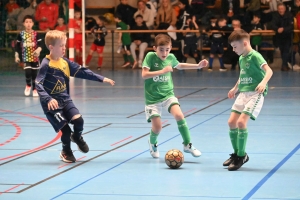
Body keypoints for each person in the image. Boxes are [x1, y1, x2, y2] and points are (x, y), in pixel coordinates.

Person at [35, 30, 115, 163]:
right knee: (65, 131)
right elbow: (38, 83)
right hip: (52, 105)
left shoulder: (65, 62)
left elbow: (83, 72)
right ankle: (66, 151)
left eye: (64, 45)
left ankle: (77, 137)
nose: (64, 48)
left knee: (79, 121)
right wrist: (48, 99)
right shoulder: (46, 64)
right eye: (61, 45)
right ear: (51, 47)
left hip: (65, 100)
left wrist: (101, 78)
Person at [142, 34, 208, 159]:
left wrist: (197, 66)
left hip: (168, 94)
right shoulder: (150, 57)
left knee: (179, 115)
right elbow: (144, 74)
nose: (164, 53)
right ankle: (152, 142)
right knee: (157, 128)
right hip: (152, 98)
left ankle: (187, 145)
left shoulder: (171, 57)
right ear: (155, 48)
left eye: (167, 49)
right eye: (161, 49)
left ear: (171, 48)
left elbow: (179, 65)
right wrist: (162, 71)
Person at [224, 29, 273, 171]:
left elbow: (269, 71)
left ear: (244, 43)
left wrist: (263, 83)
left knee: (241, 122)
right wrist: (235, 88)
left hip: (255, 94)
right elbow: (242, 75)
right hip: (243, 93)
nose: (233, 50)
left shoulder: (255, 56)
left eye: (235, 47)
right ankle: (236, 154)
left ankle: (241, 156)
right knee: (231, 122)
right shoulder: (241, 58)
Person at [15, 15, 42, 97]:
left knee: (34, 74)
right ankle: (28, 85)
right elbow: (17, 46)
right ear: (24, 24)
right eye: (26, 22)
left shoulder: (36, 34)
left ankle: (35, 89)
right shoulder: (21, 34)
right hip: (26, 56)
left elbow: (41, 45)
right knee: (28, 72)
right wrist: (16, 55)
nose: (28, 24)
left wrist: (38, 50)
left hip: (35, 57)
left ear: (33, 23)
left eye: (30, 22)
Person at [271, 3, 293, 71]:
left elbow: (291, 26)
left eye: (282, 9)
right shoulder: (275, 15)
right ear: (277, 9)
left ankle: (284, 65)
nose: (281, 10)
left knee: (286, 50)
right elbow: (272, 24)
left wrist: (283, 29)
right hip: (279, 37)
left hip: (287, 36)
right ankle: (285, 65)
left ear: (285, 9)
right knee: (282, 50)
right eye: (279, 9)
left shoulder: (289, 15)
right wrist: (277, 29)